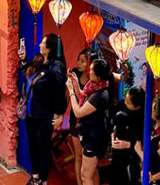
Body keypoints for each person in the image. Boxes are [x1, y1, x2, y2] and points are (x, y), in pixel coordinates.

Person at [19, 34, 67, 185]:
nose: (40, 45)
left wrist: (59, 114)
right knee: (32, 144)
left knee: (43, 147)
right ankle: (35, 176)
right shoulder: (39, 60)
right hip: (30, 111)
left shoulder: (56, 67)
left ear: (50, 48)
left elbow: (59, 91)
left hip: (44, 114)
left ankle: (44, 180)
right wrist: (23, 60)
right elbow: (27, 72)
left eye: (43, 43)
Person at [68, 58, 113, 185]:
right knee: (92, 173)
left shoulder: (100, 95)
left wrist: (71, 92)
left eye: (92, 70)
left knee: (85, 176)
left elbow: (79, 112)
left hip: (94, 138)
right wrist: (76, 84)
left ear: (98, 76)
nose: (89, 71)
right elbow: (83, 96)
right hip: (89, 134)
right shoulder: (94, 87)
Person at [67, 49, 98, 185]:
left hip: (90, 124)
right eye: (79, 60)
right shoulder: (75, 74)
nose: (79, 63)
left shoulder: (98, 82)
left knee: (90, 161)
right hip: (76, 120)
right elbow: (68, 96)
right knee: (78, 156)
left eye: (83, 61)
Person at [110, 87, 146, 185]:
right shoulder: (121, 104)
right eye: (126, 99)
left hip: (132, 157)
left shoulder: (143, 118)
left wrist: (128, 144)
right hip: (117, 152)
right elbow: (112, 122)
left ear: (137, 106)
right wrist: (112, 136)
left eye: (129, 102)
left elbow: (142, 141)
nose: (125, 102)